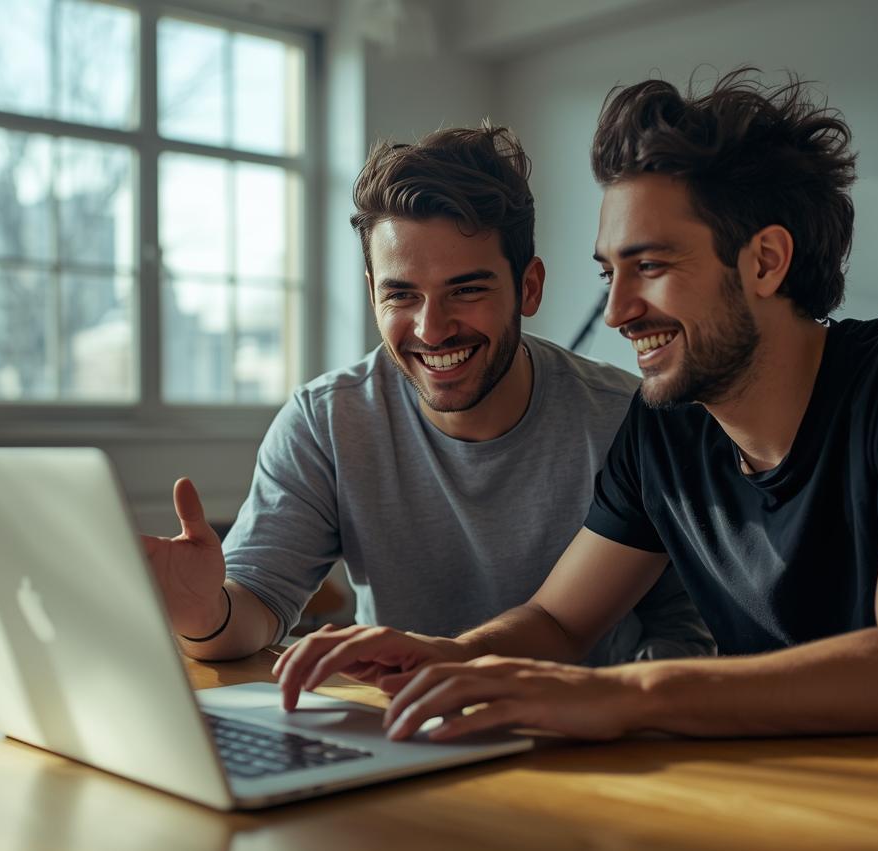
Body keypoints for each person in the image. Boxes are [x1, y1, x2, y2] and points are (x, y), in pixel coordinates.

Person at [274, 69, 878, 748]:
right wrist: (445, 657)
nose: (620, 311)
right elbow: (559, 622)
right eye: (609, 274)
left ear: (766, 260)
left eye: (652, 267)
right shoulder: (665, 428)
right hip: (807, 813)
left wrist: (629, 694)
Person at [141, 125, 714, 669]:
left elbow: (685, 634)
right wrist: (204, 614)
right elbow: (255, 605)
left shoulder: (632, 421)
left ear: (529, 286)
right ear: (371, 294)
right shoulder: (327, 422)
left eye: (465, 290)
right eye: (402, 295)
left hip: (582, 742)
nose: (432, 329)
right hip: (400, 735)